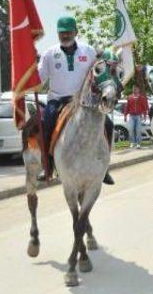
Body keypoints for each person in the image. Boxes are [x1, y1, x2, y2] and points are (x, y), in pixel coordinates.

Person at [38, 16, 115, 184]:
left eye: (68, 32)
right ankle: (48, 166)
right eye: (62, 33)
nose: (65, 36)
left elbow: (100, 71)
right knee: (46, 123)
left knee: (108, 124)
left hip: (85, 101)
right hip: (58, 100)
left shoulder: (88, 51)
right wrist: (30, 74)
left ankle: (105, 167)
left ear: (76, 32)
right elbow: (39, 78)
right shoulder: (49, 54)